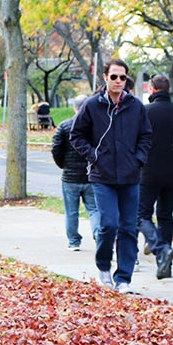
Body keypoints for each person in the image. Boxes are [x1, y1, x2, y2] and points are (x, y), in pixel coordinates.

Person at [70, 58, 152, 294]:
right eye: (114, 76)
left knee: (128, 228)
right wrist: (93, 155)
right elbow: (77, 135)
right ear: (105, 77)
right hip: (102, 176)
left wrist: (138, 159)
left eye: (122, 77)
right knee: (108, 225)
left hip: (130, 176)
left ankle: (123, 277)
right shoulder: (92, 105)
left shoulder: (135, 106)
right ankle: (104, 266)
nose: (118, 81)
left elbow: (146, 136)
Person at [138, 75, 173, 279]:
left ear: (152, 90)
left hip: (148, 171)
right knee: (165, 216)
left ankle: (160, 248)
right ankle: (165, 263)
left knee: (141, 214)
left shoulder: (145, 112)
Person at [51, 94, 99, 251]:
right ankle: (98, 233)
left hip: (70, 176)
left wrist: (62, 165)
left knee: (71, 211)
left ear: (74, 108)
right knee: (94, 209)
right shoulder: (95, 127)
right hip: (90, 175)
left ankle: (73, 241)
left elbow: (56, 148)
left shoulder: (64, 126)